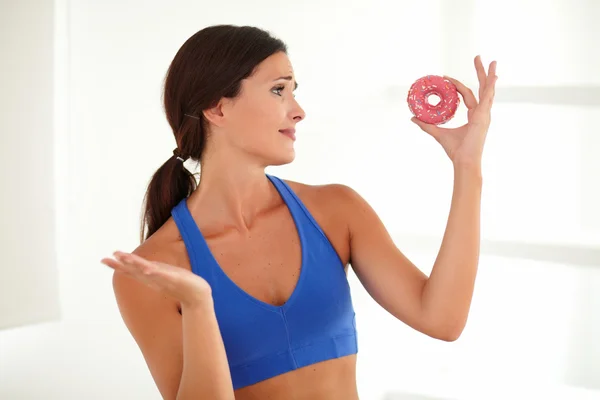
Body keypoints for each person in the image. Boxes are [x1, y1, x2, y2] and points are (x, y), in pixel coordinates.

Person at [101, 24, 497, 400]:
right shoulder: (152, 271)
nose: (299, 111)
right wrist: (200, 305)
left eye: (293, 91)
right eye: (278, 90)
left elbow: (443, 320)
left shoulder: (336, 211)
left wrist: (468, 167)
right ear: (218, 109)